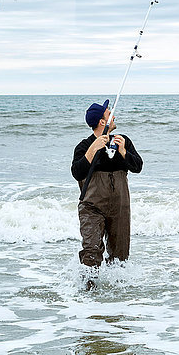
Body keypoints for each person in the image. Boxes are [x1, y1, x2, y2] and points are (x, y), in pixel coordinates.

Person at [71, 99, 143, 288]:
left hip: (119, 206)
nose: (113, 114)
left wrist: (123, 151)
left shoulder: (122, 140)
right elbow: (77, 172)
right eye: (109, 113)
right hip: (91, 207)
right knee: (91, 252)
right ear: (102, 122)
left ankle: (116, 298)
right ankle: (87, 295)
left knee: (120, 256)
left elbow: (138, 167)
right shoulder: (83, 146)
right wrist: (93, 149)